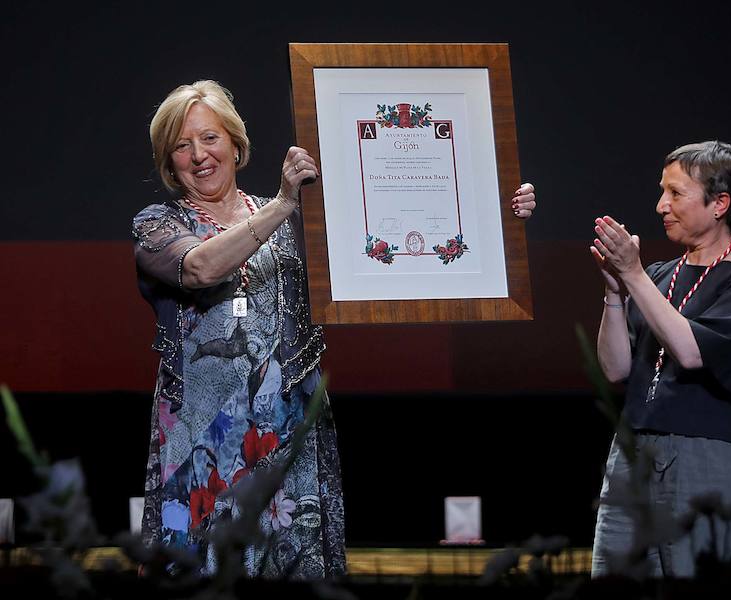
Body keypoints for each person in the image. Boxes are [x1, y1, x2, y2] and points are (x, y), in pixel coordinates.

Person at [132, 80, 536, 578]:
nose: (199, 155)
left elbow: (395, 239)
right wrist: (283, 204)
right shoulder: (157, 225)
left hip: (288, 430)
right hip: (201, 439)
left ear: (235, 145)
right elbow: (199, 269)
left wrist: (496, 212)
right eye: (182, 145)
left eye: (210, 138)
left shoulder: (303, 221)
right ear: (168, 162)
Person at [589, 141, 731, 577]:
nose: (661, 205)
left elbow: (690, 351)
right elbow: (615, 368)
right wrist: (614, 290)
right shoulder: (660, 275)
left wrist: (633, 274)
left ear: (720, 204)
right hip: (632, 455)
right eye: (662, 191)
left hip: (708, 460)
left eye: (676, 193)